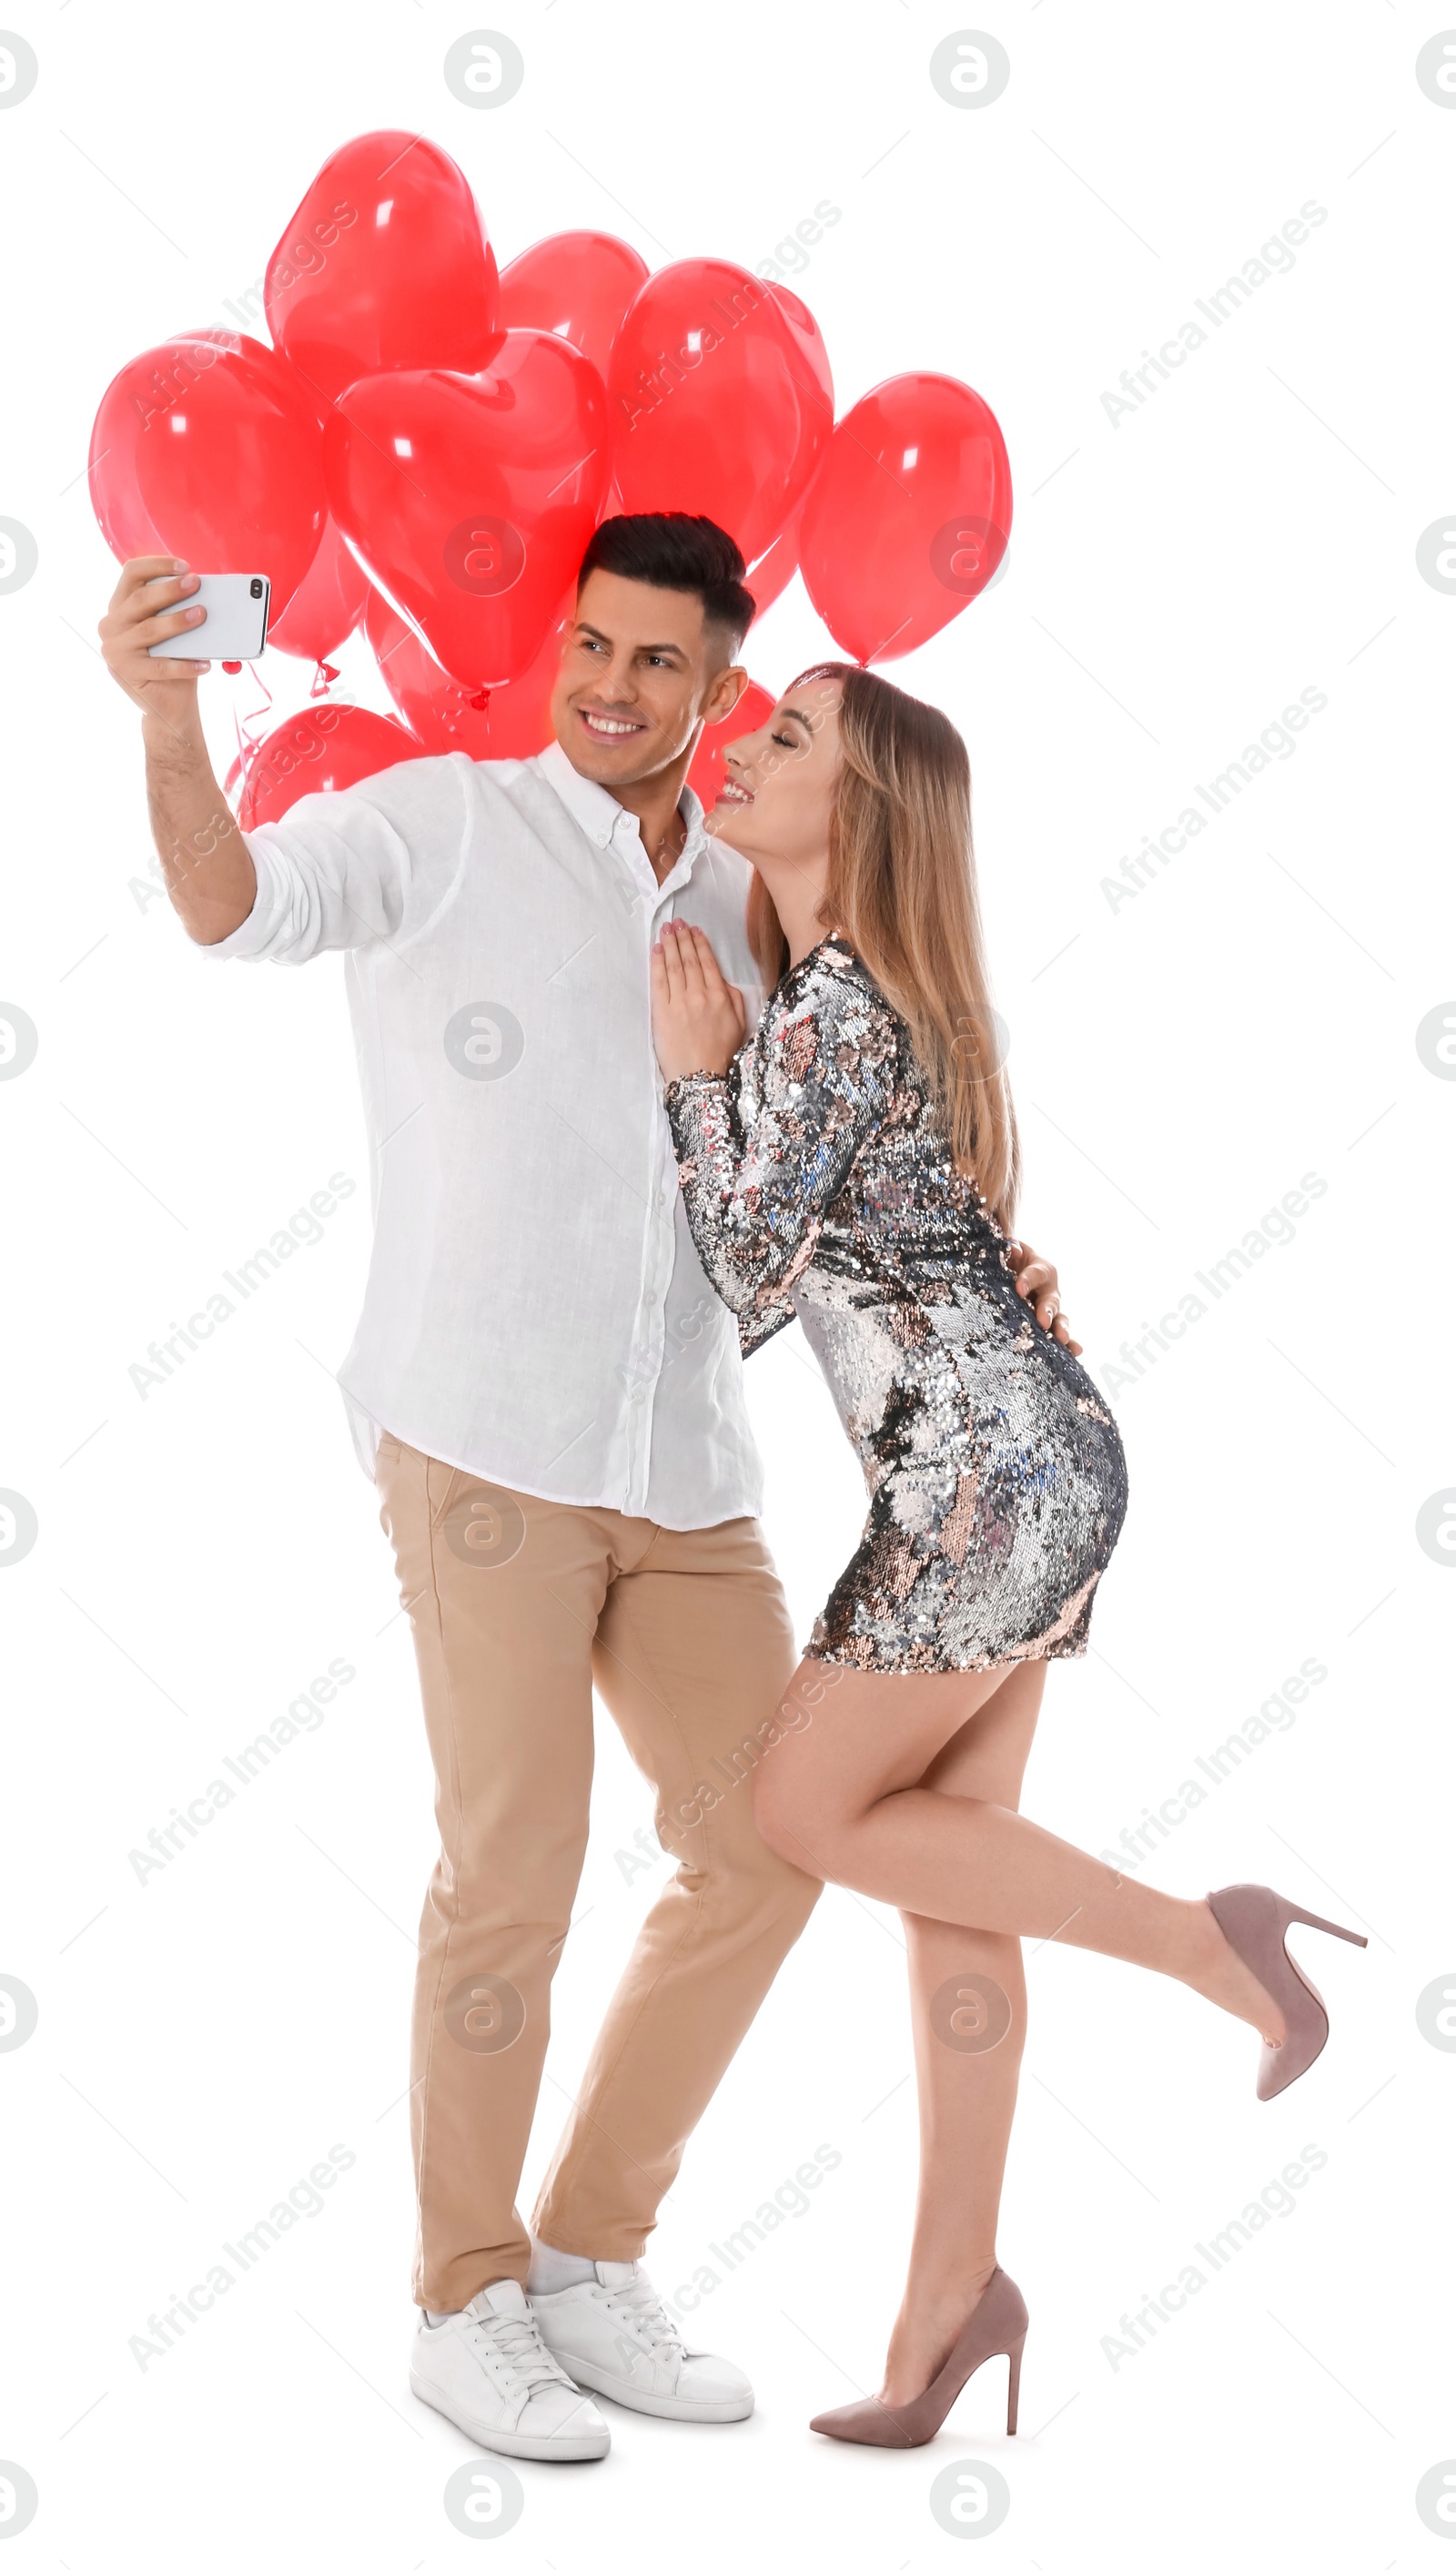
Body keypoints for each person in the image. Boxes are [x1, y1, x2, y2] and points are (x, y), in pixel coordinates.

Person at [98, 515, 1077, 2465]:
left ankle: (578, 2255)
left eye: (659, 664)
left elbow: (821, 1155)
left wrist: (981, 1285)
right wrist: (162, 723)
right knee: (514, 1875)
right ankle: (460, 2295)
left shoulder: (749, 888)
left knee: (770, 1838)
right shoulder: (442, 820)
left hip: (684, 1467)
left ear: (719, 689)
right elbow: (230, 909)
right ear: (559, 644)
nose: (613, 689)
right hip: (483, 1446)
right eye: (591, 647)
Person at [650, 661, 1369, 2450]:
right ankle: (946, 2306)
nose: (741, 748)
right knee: (950, 1888)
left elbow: (744, 1276)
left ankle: (1214, 1942)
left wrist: (687, 1078)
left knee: (798, 1811)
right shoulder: (860, 996)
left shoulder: (827, 1003)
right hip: (1028, 1463)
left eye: (787, 737)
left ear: (863, 810)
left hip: (981, 1485)